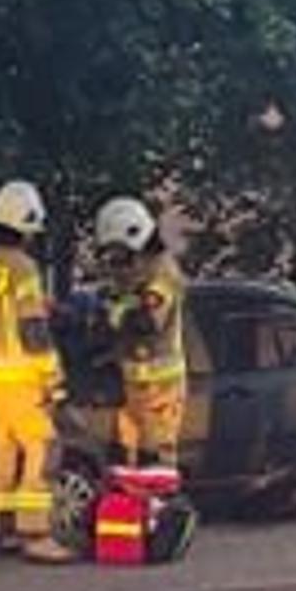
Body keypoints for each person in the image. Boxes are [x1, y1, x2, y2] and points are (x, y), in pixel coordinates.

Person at [0, 181, 71, 563]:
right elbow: (32, 329)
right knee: (44, 448)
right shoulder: (23, 267)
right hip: (25, 377)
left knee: (2, 449)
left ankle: (0, 527)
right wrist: (53, 377)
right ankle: (35, 533)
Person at [94, 197, 188, 470]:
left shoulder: (162, 271)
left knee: (154, 463)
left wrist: (118, 313)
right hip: (133, 388)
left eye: (119, 251)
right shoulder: (137, 269)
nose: (117, 261)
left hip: (160, 390)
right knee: (124, 463)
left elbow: (149, 320)